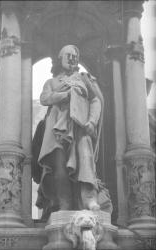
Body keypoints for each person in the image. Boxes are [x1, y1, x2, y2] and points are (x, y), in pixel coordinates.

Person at [32, 45, 111, 221]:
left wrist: (92, 121)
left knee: (85, 161)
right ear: (60, 59)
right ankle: (64, 203)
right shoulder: (51, 82)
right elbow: (45, 98)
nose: (73, 58)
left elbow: (96, 100)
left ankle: (89, 199)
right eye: (69, 55)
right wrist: (65, 95)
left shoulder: (84, 80)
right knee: (59, 166)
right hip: (56, 130)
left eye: (76, 55)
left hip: (80, 126)